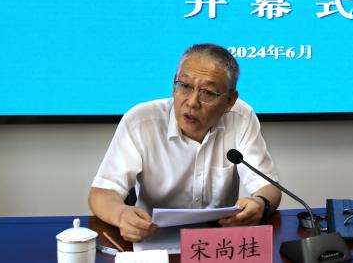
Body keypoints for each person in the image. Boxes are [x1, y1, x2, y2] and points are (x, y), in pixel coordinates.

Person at [88, 43, 282, 242]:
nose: (192, 102)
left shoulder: (241, 118)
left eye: (208, 92)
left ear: (230, 101)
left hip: (217, 241)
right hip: (153, 238)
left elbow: (269, 187)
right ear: (174, 84)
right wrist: (121, 215)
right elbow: (102, 192)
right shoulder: (140, 121)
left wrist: (260, 204)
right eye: (185, 86)